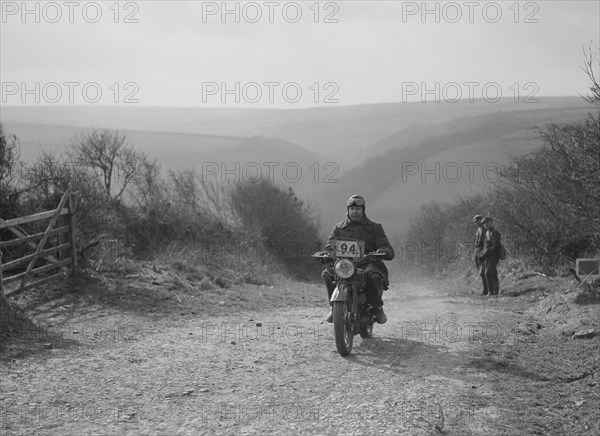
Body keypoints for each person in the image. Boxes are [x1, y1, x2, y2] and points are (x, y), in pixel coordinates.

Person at [321, 195, 395, 324]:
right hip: (345, 264)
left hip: (368, 263)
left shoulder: (375, 228)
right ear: (348, 210)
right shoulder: (339, 228)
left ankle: (376, 307)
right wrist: (325, 254)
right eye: (352, 209)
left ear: (363, 210)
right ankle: (334, 307)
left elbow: (386, 247)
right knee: (327, 274)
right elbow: (330, 246)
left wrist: (383, 251)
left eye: (358, 209)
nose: (355, 212)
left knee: (375, 276)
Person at [479, 216, 501, 296]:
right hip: (488, 256)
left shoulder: (495, 232)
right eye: (484, 223)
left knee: (488, 273)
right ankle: (494, 291)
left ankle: (492, 292)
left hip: (494, 256)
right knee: (492, 273)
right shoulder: (488, 232)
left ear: (490, 222)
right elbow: (486, 244)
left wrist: (487, 252)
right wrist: (483, 253)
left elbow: (496, 246)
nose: (485, 225)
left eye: (486, 222)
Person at [472, 214, 488, 295]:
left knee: (483, 272)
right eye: (475, 222)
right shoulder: (478, 229)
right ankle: (485, 289)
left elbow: (485, 241)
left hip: (483, 251)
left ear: (481, 220)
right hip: (478, 251)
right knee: (480, 272)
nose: (476, 223)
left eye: (477, 221)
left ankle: (487, 290)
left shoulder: (484, 229)